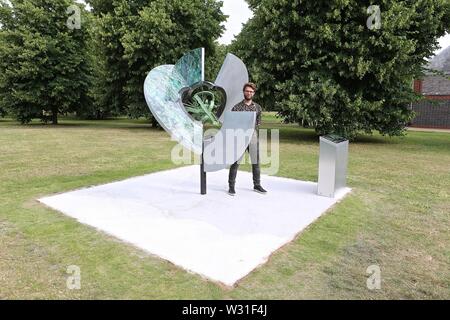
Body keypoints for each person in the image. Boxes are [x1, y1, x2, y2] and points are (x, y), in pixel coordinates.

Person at [228, 82, 268, 196]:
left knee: (256, 162)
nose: (249, 93)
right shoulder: (237, 107)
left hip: (252, 137)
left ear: (253, 93)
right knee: (235, 162)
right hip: (239, 137)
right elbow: (233, 123)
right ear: (244, 92)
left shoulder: (257, 107)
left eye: (251, 91)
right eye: (247, 91)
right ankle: (231, 186)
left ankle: (257, 185)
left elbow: (258, 123)